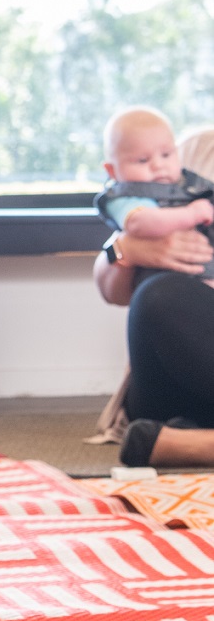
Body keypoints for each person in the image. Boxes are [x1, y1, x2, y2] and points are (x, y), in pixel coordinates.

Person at [95, 126, 214, 467]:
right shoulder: (194, 151)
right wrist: (127, 248)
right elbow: (111, 291)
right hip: (182, 375)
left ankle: (190, 445)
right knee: (158, 294)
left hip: (184, 422)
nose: (157, 163)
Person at [95, 107, 214, 257]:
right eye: (143, 160)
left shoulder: (189, 184)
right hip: (161, 273)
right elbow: (142, 223)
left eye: (165, 155)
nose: (158, 165)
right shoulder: (125, 197)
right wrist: (191, 214)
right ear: (112, 171)